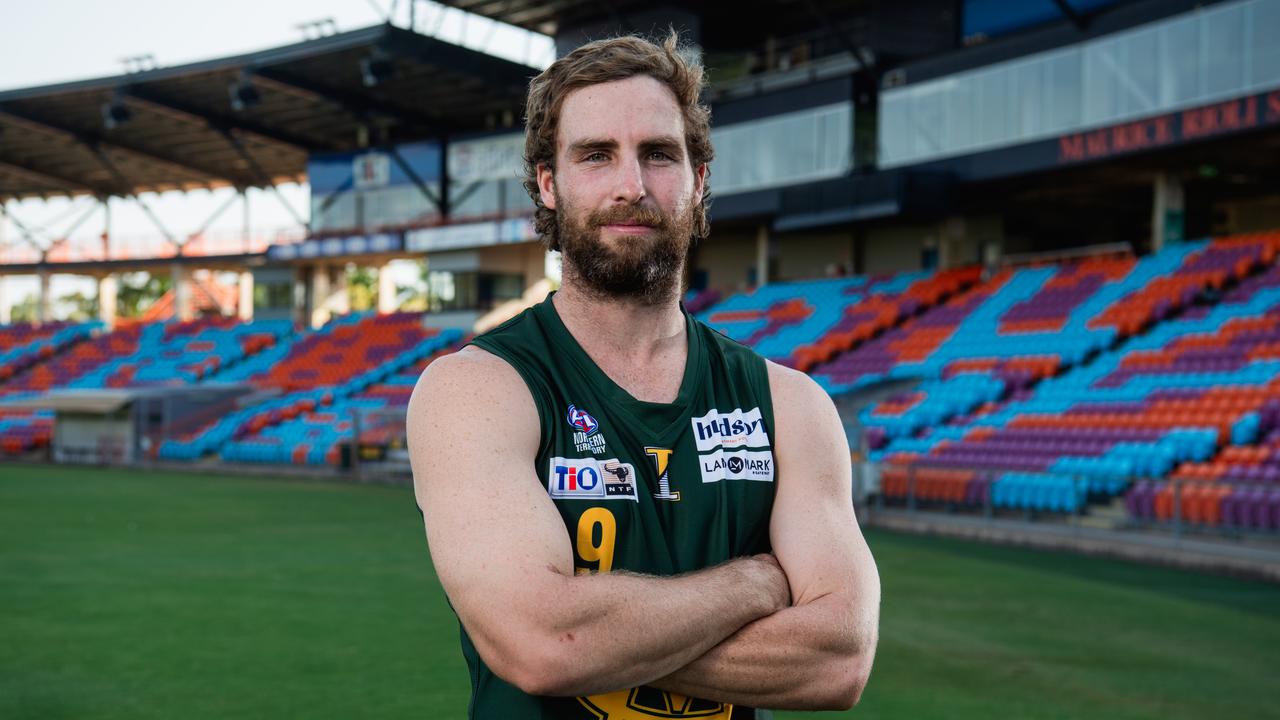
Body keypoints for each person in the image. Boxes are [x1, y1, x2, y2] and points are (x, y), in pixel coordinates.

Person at [408, 31, 880, 720]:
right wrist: (755, 585)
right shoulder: (478, 390)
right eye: (596, 155)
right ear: (549, 181)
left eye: (659, 155)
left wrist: (604, 638)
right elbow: (543, 644)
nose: (632, 185)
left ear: (699, 180)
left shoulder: (789, 404)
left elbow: (838, 660)